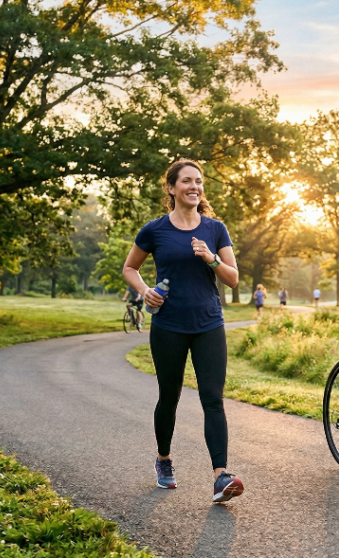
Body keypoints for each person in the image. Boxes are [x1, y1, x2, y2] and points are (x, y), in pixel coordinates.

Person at [122, 159, 245, 503]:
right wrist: (144, 290)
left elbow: (233, 278)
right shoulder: (155, 230)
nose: (194, 186)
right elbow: (130, 267)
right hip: (169, 325)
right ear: (172, 188)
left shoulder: (215, 229)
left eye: (199, 181)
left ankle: (221, 477)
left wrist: (212, 259)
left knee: (213, 398)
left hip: (208, 323)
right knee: (169, 397)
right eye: (187, 181)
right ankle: (163, 460)